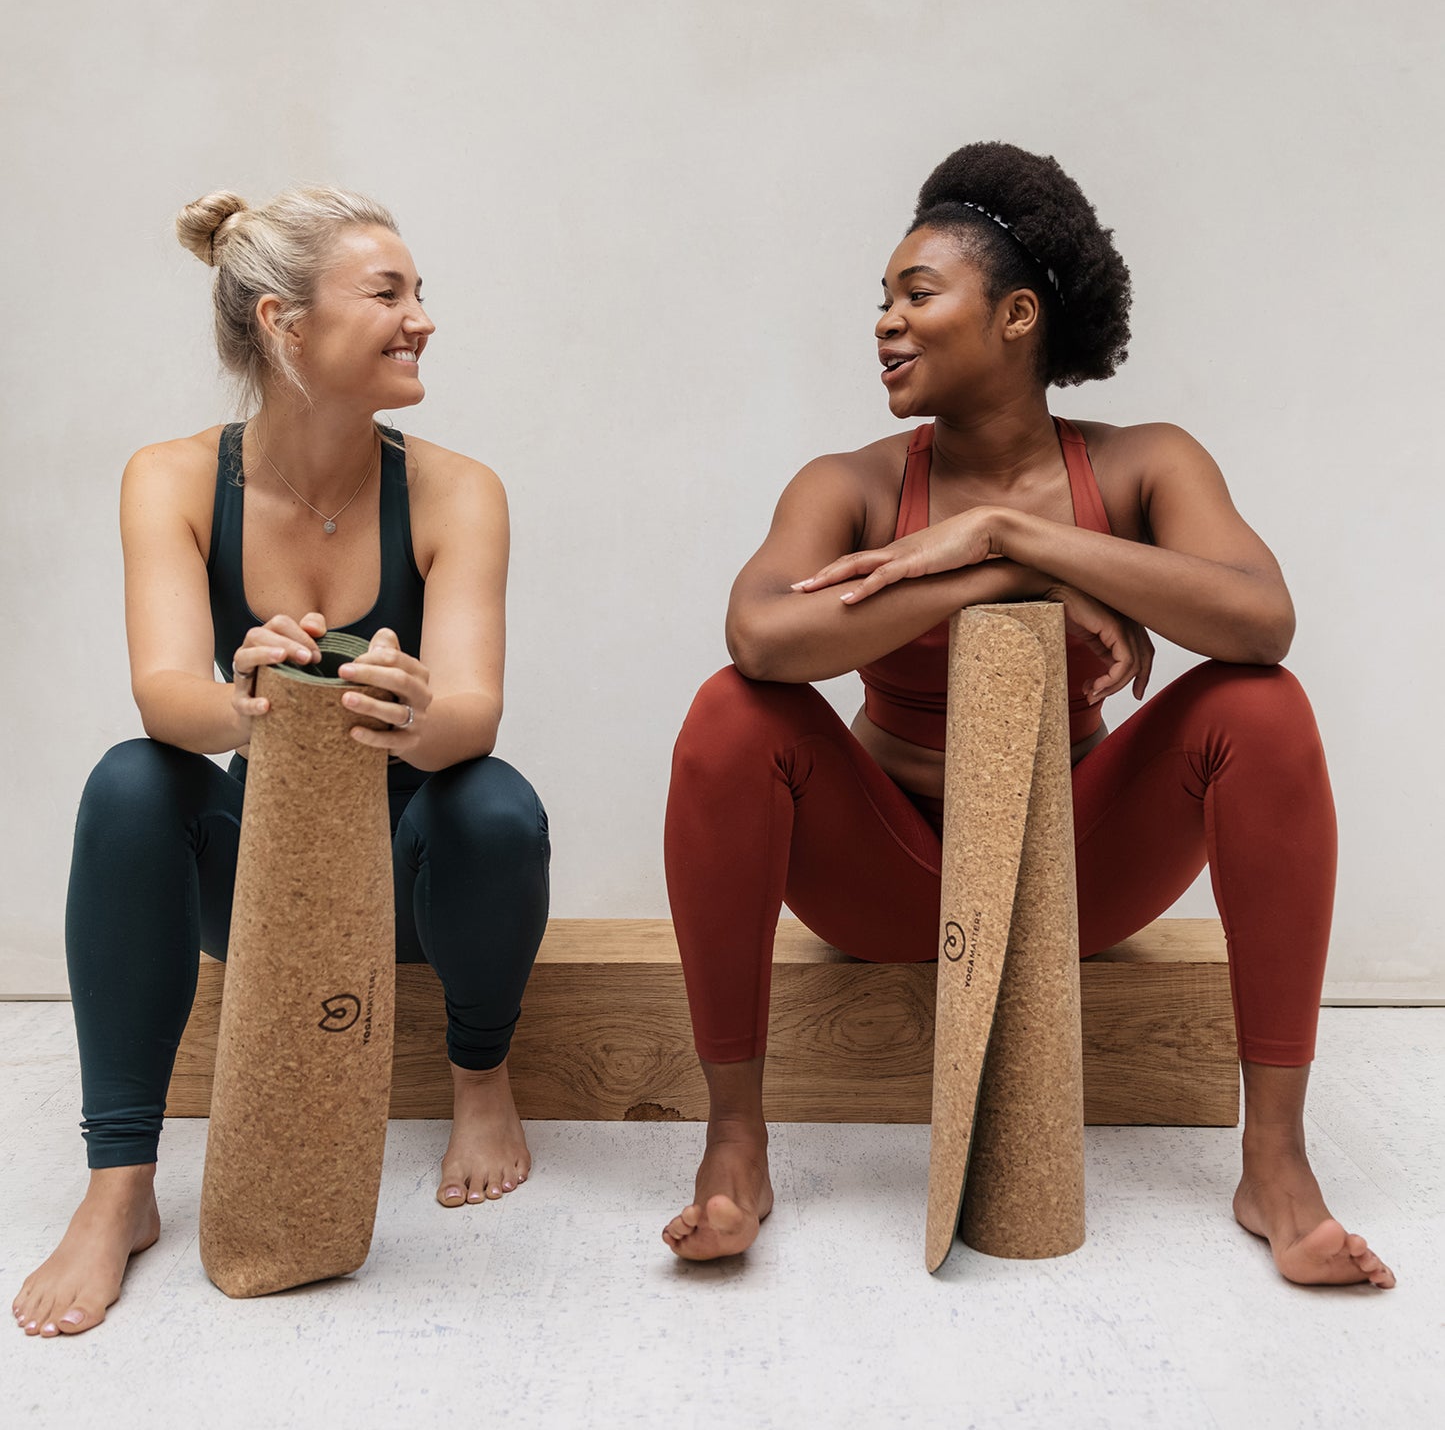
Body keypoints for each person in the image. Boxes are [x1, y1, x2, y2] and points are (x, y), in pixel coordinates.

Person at [662, 141, 1393, 1289]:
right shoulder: (848, 484)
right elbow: (759, 637)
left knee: (1262, 707)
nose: (883, 324)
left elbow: (1261, 620)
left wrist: (1013, 534)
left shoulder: (1145, 463)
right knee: (726, 714)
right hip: (885, 873)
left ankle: (1274, 1161)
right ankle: (734, 1147)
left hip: (1070, 875)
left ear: (1013, 316)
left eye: (916, 294)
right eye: (881, 301)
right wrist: (1006, 580)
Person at [14, 186, 550, 1339]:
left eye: (420, 292)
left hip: (405, 889)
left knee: (494, 807)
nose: (423, 318)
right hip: (263, 896)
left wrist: (413, 717)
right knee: (129, 777)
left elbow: (474, 714)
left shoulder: (457, 490)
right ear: (284, 324)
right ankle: (120, 1187)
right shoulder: (169, 477)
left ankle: (479, 1078)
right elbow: (166, 698)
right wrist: (245, 704)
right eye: (389, 293)